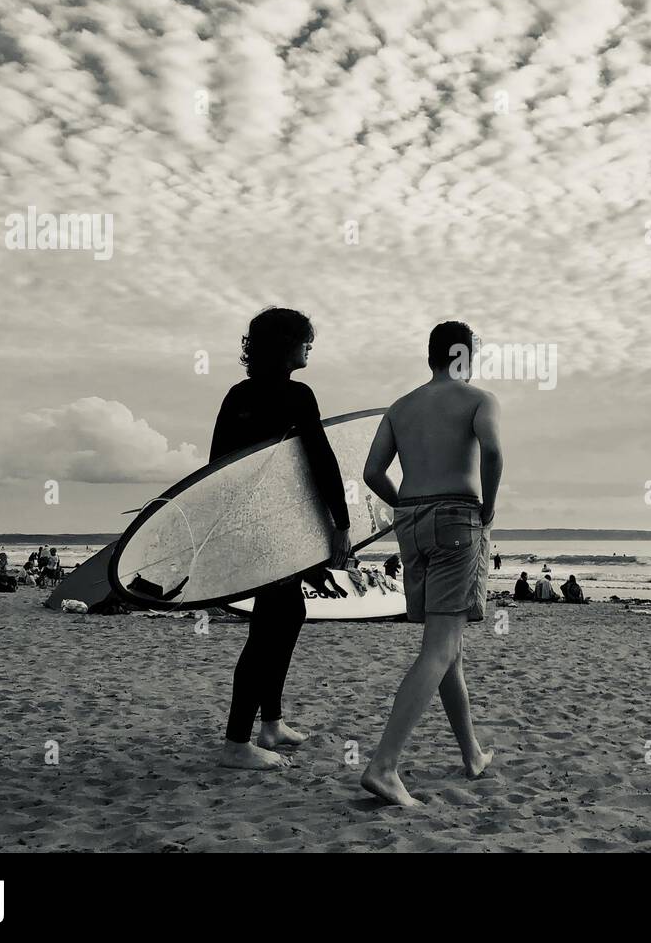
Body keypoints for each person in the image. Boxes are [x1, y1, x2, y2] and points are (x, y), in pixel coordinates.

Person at [360, 320, 500, 807]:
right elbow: (494, 452)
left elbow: (372, 472)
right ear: (464, 356)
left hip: (411, 521)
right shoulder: (478, 399)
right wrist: (489, 507)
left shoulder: (400, 408)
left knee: (448, 647)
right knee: (440, 648)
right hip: (457, 519)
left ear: (430, 356)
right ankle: (382, 765)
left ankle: (472, 754)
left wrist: (407, 505)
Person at [213, 308, 352, 770]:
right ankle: (237, 743)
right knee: (269, 629)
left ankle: (270, 722)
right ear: (285, 344)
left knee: (288, 614)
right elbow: (320, 460)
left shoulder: (237, 396)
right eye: (305, 340)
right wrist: (341, 523)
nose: (310, 346)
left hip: (252, 528)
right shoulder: (297, 395)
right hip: (275, 533)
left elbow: (217, 469)